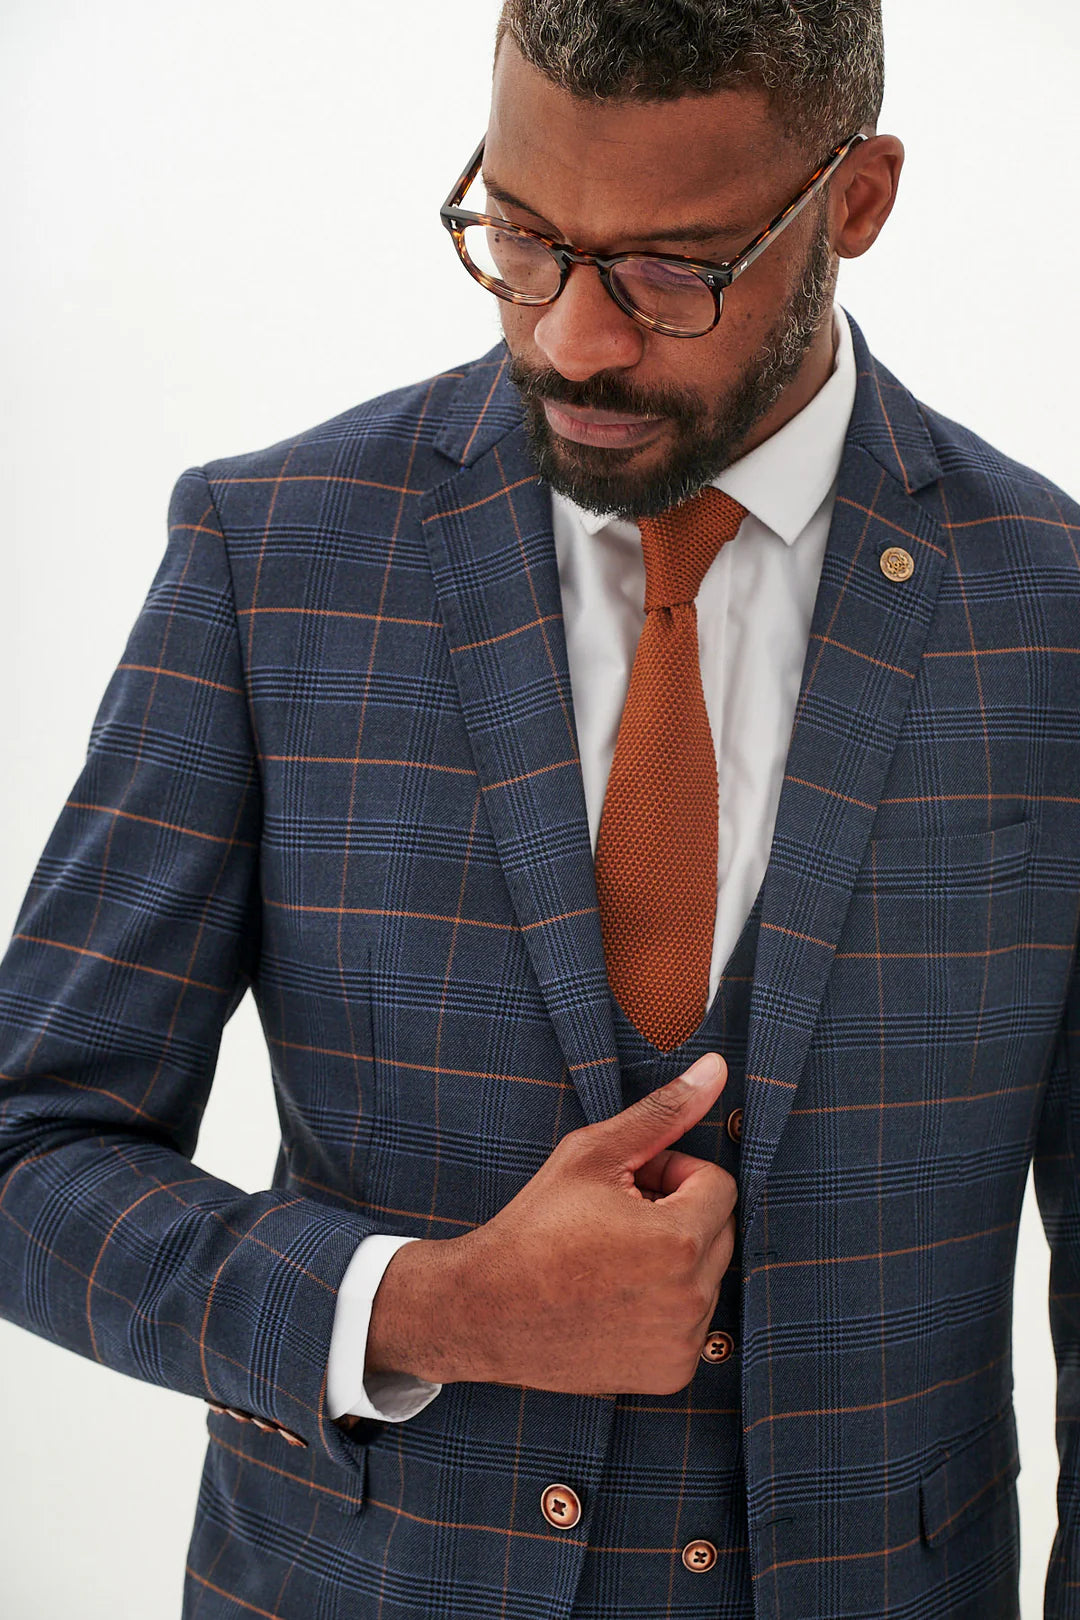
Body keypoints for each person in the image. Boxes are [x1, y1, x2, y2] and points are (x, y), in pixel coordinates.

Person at [1, 2, 1077, 1617]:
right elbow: (30, 1153)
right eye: (519, 235)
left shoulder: (1053, 615)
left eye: (670, 269)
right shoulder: (274, 552)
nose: (574, 338)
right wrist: (423, 1308)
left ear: (857, 201)